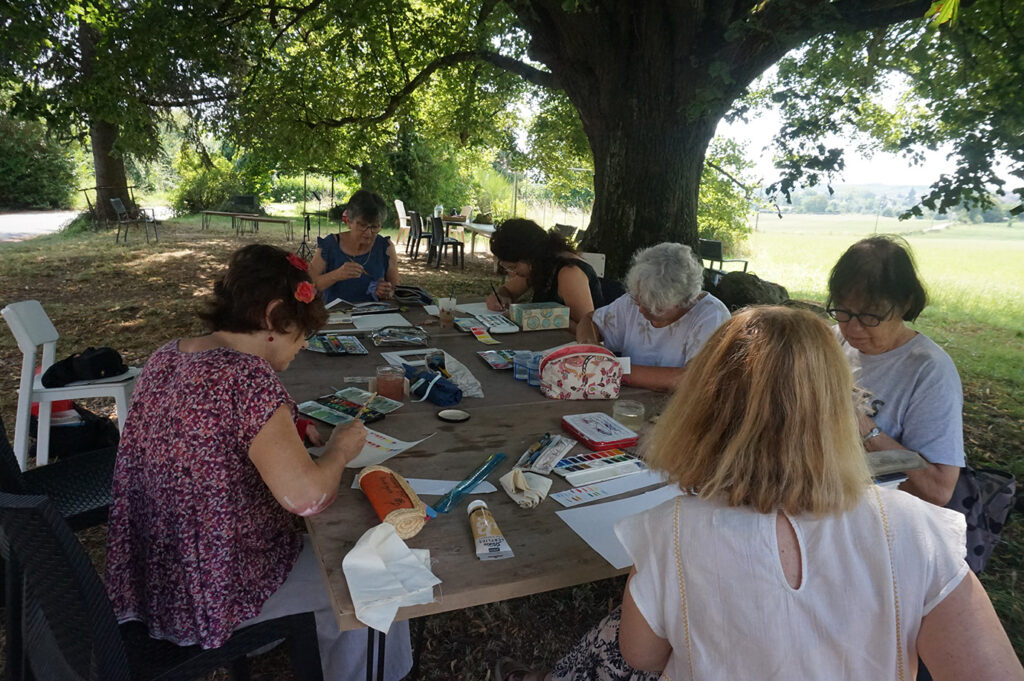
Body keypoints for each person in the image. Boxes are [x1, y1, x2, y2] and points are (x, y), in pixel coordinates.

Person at [495, 307, 1022, 681]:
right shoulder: (919, 529)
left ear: (702, 409)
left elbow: (641, 656)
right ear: (842, 408)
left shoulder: (669, 529)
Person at [105, 244, 412, 681]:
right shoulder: (247, 378)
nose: (302, 347)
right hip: (213, 594)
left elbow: (211, 439)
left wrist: (289, 431)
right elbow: (307, 499)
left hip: (153, 583)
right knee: (377, 571)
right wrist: (339, 450)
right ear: (272, 318)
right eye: (300, 335)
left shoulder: (167, 355)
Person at [826, 236, 963, 507]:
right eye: (842, 311)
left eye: (870, 315)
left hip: (884, 517)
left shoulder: (929, 371)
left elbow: (939, 489)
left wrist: (866, 430)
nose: (852, 328)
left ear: (906, 304)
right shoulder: (832, 343)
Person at [576, 242, 729, 391]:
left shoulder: (711, 316)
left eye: (654, 308)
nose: (641, 310)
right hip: (628, 403)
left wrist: (612, 369)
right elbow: (590, 320)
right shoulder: (635, 299)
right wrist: (589, 346)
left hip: (677, 410)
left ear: (683, 301)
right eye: (638, 301)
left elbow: (694, 379)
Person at [485, 218, 604, 330]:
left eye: (514, 267)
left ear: (530, 258)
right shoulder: (539, 266)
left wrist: (547, 318)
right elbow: (508, 290)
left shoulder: (569, 273)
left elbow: (589, 330)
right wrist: (501, 297)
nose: (512, 274)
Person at [311, 189, 400, 304]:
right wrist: (336, 275)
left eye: (374, 227)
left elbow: (396, 289)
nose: (368, 233)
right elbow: (309, 285)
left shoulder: (385, 247)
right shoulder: (330, 245)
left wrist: (387, 292)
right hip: (336, 316)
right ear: (349, 222)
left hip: (373, 316)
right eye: (362, 225)